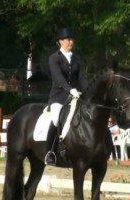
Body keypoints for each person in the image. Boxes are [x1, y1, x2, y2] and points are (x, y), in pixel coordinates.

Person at [44, 27, 88, 165]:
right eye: (68, 39)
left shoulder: (76, 59)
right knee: (57, 119)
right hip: (58, 97)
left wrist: (88, 91)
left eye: (72, 39)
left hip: (75, 97)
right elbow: (58, 78)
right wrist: (71, 90)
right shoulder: (54, 58)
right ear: (60, 42)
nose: (71, 42)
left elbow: (82, 78)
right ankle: (49, 152)